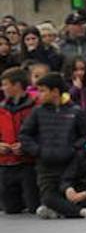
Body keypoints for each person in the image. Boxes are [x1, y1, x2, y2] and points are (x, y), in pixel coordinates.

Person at [20, 73, 86, 219]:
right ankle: (81, 212)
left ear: (55, 92)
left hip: (69, 165)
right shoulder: (37, 112)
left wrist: (73, 149)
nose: (39, 94)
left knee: (71, 195)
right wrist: (38, 151)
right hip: (45, 166)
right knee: (48, 198)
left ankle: (62, 210)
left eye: (43, 90)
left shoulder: (75, 111)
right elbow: (25, 135)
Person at [0, 66, 38, 214]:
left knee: (34, 207)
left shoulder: (36, 106)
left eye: (5, 84)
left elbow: (44, 133)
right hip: (5, 164)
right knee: (10, 209)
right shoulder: (1, 108)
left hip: (28, 164)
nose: (3, 88)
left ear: (16, 85)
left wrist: (26, 146)